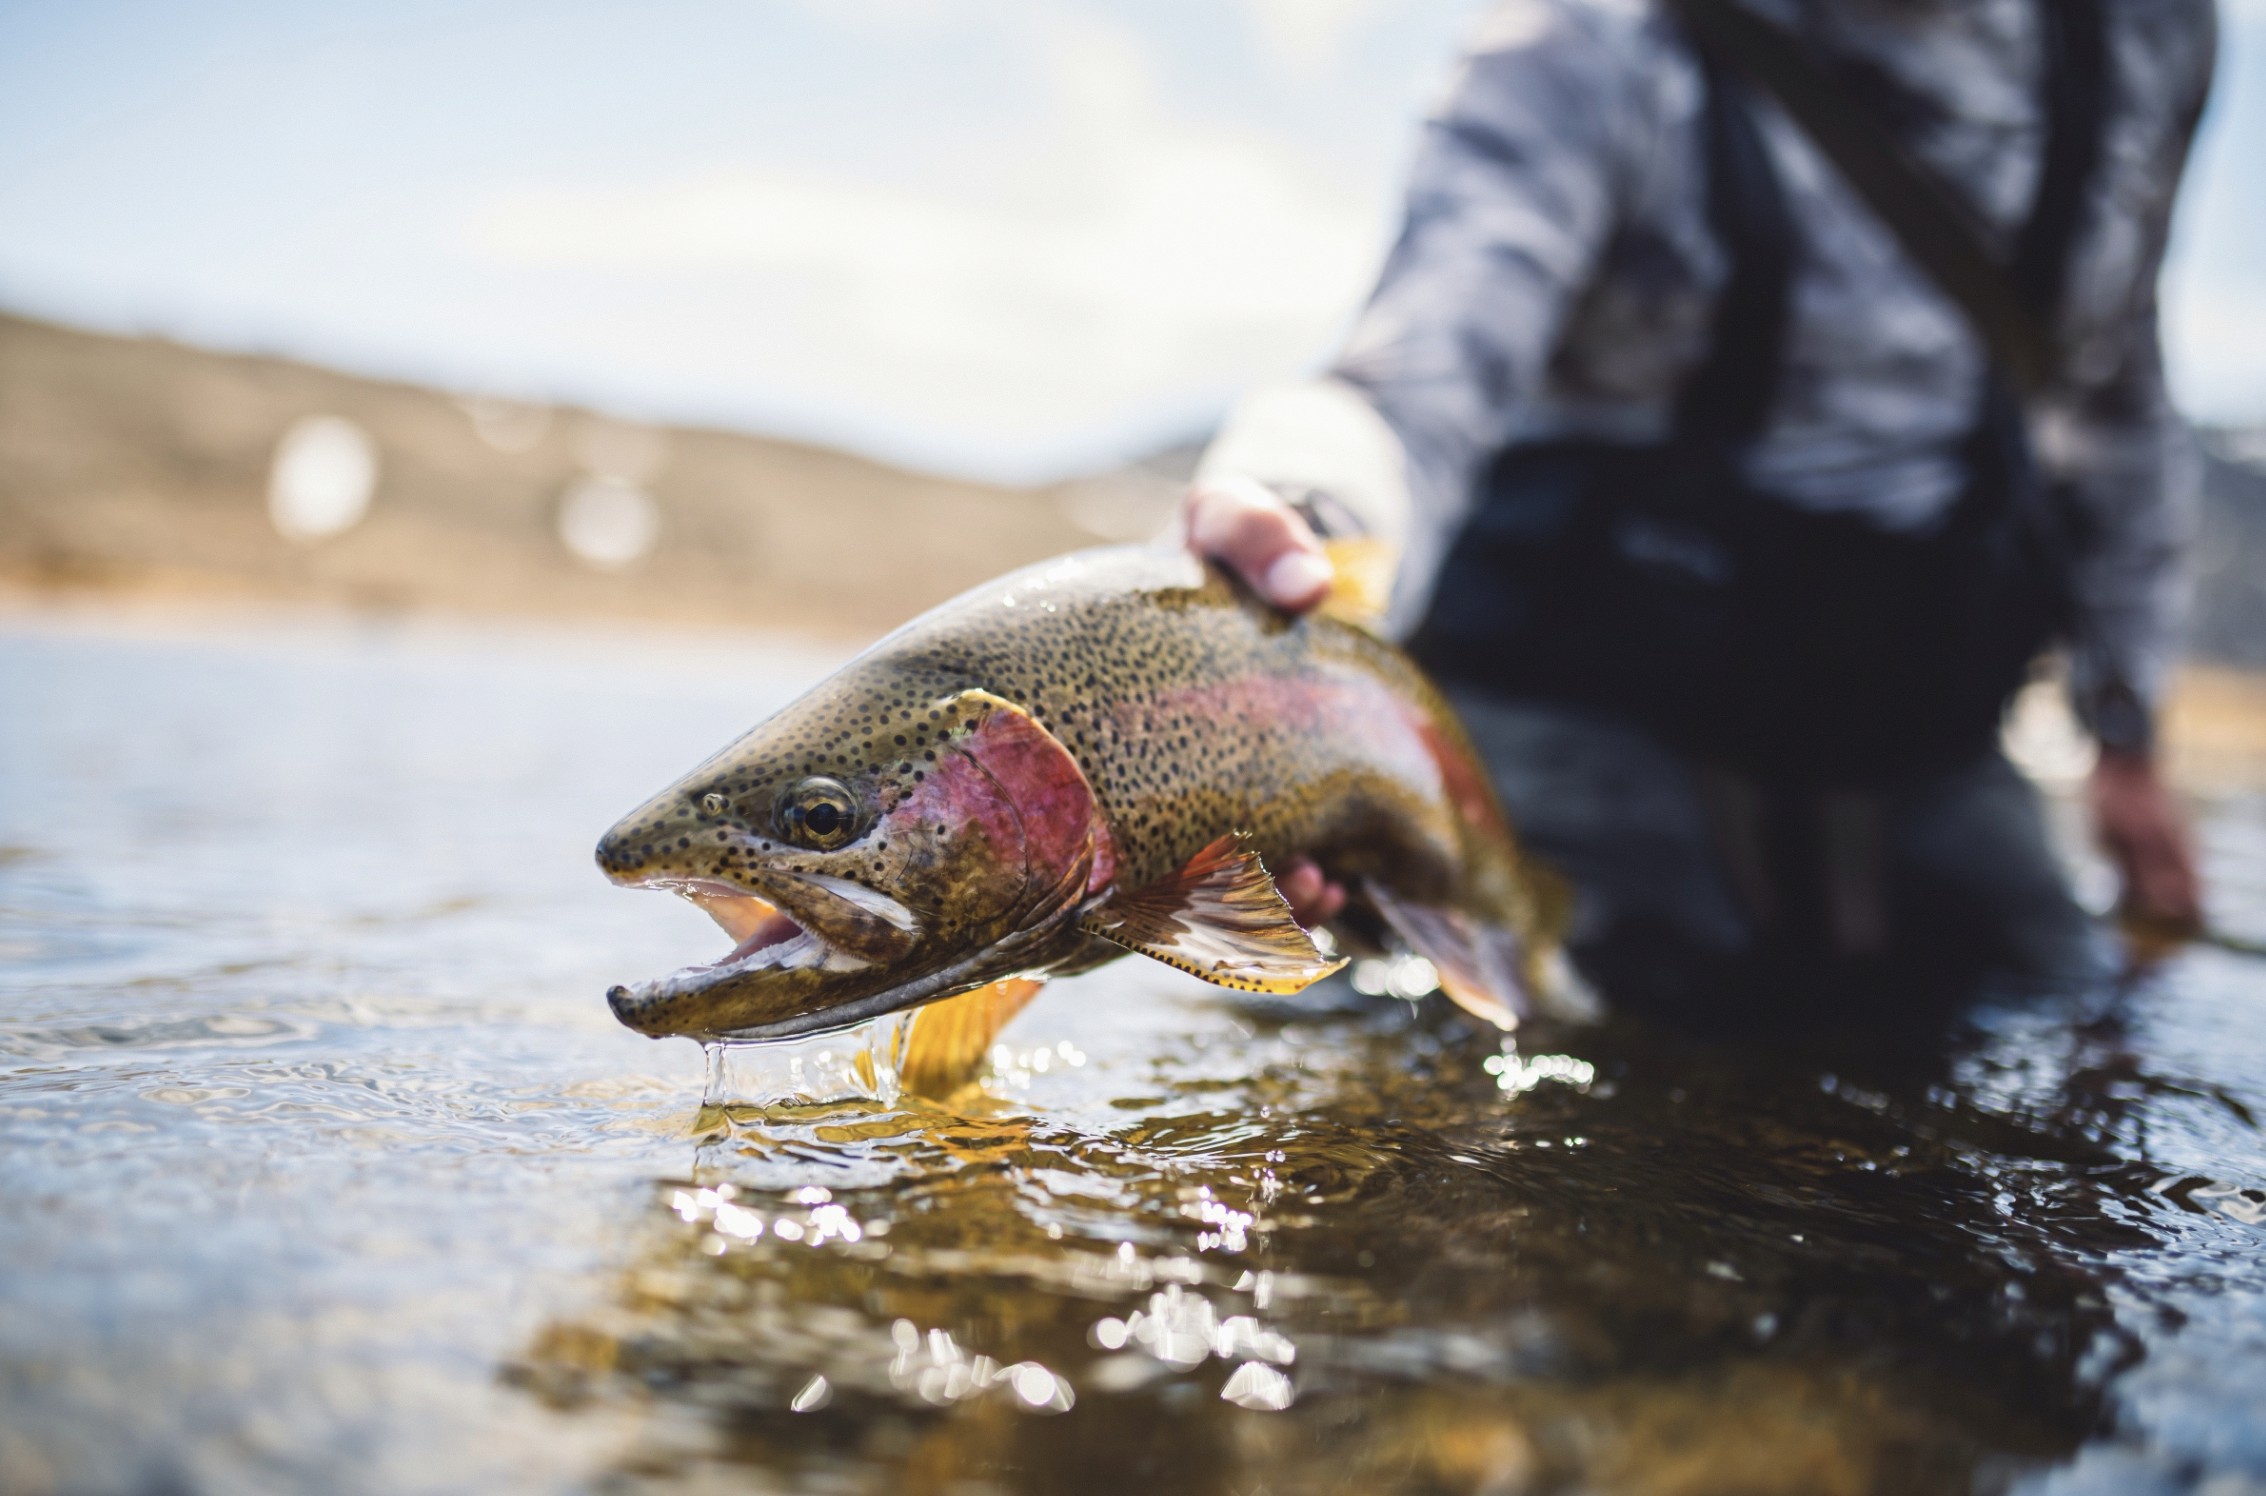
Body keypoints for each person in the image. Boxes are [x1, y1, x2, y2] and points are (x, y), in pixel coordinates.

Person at [1185, 0, 2211, 1023]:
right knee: (1531, 1040)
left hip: (1918, 726)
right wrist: (1293, 527)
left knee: (2065, 1011)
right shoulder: (1589, 42)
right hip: (1582, 690)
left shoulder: (2143, 38)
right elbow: (1414, 383)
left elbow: (2114, 391)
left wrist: (2124, 736)